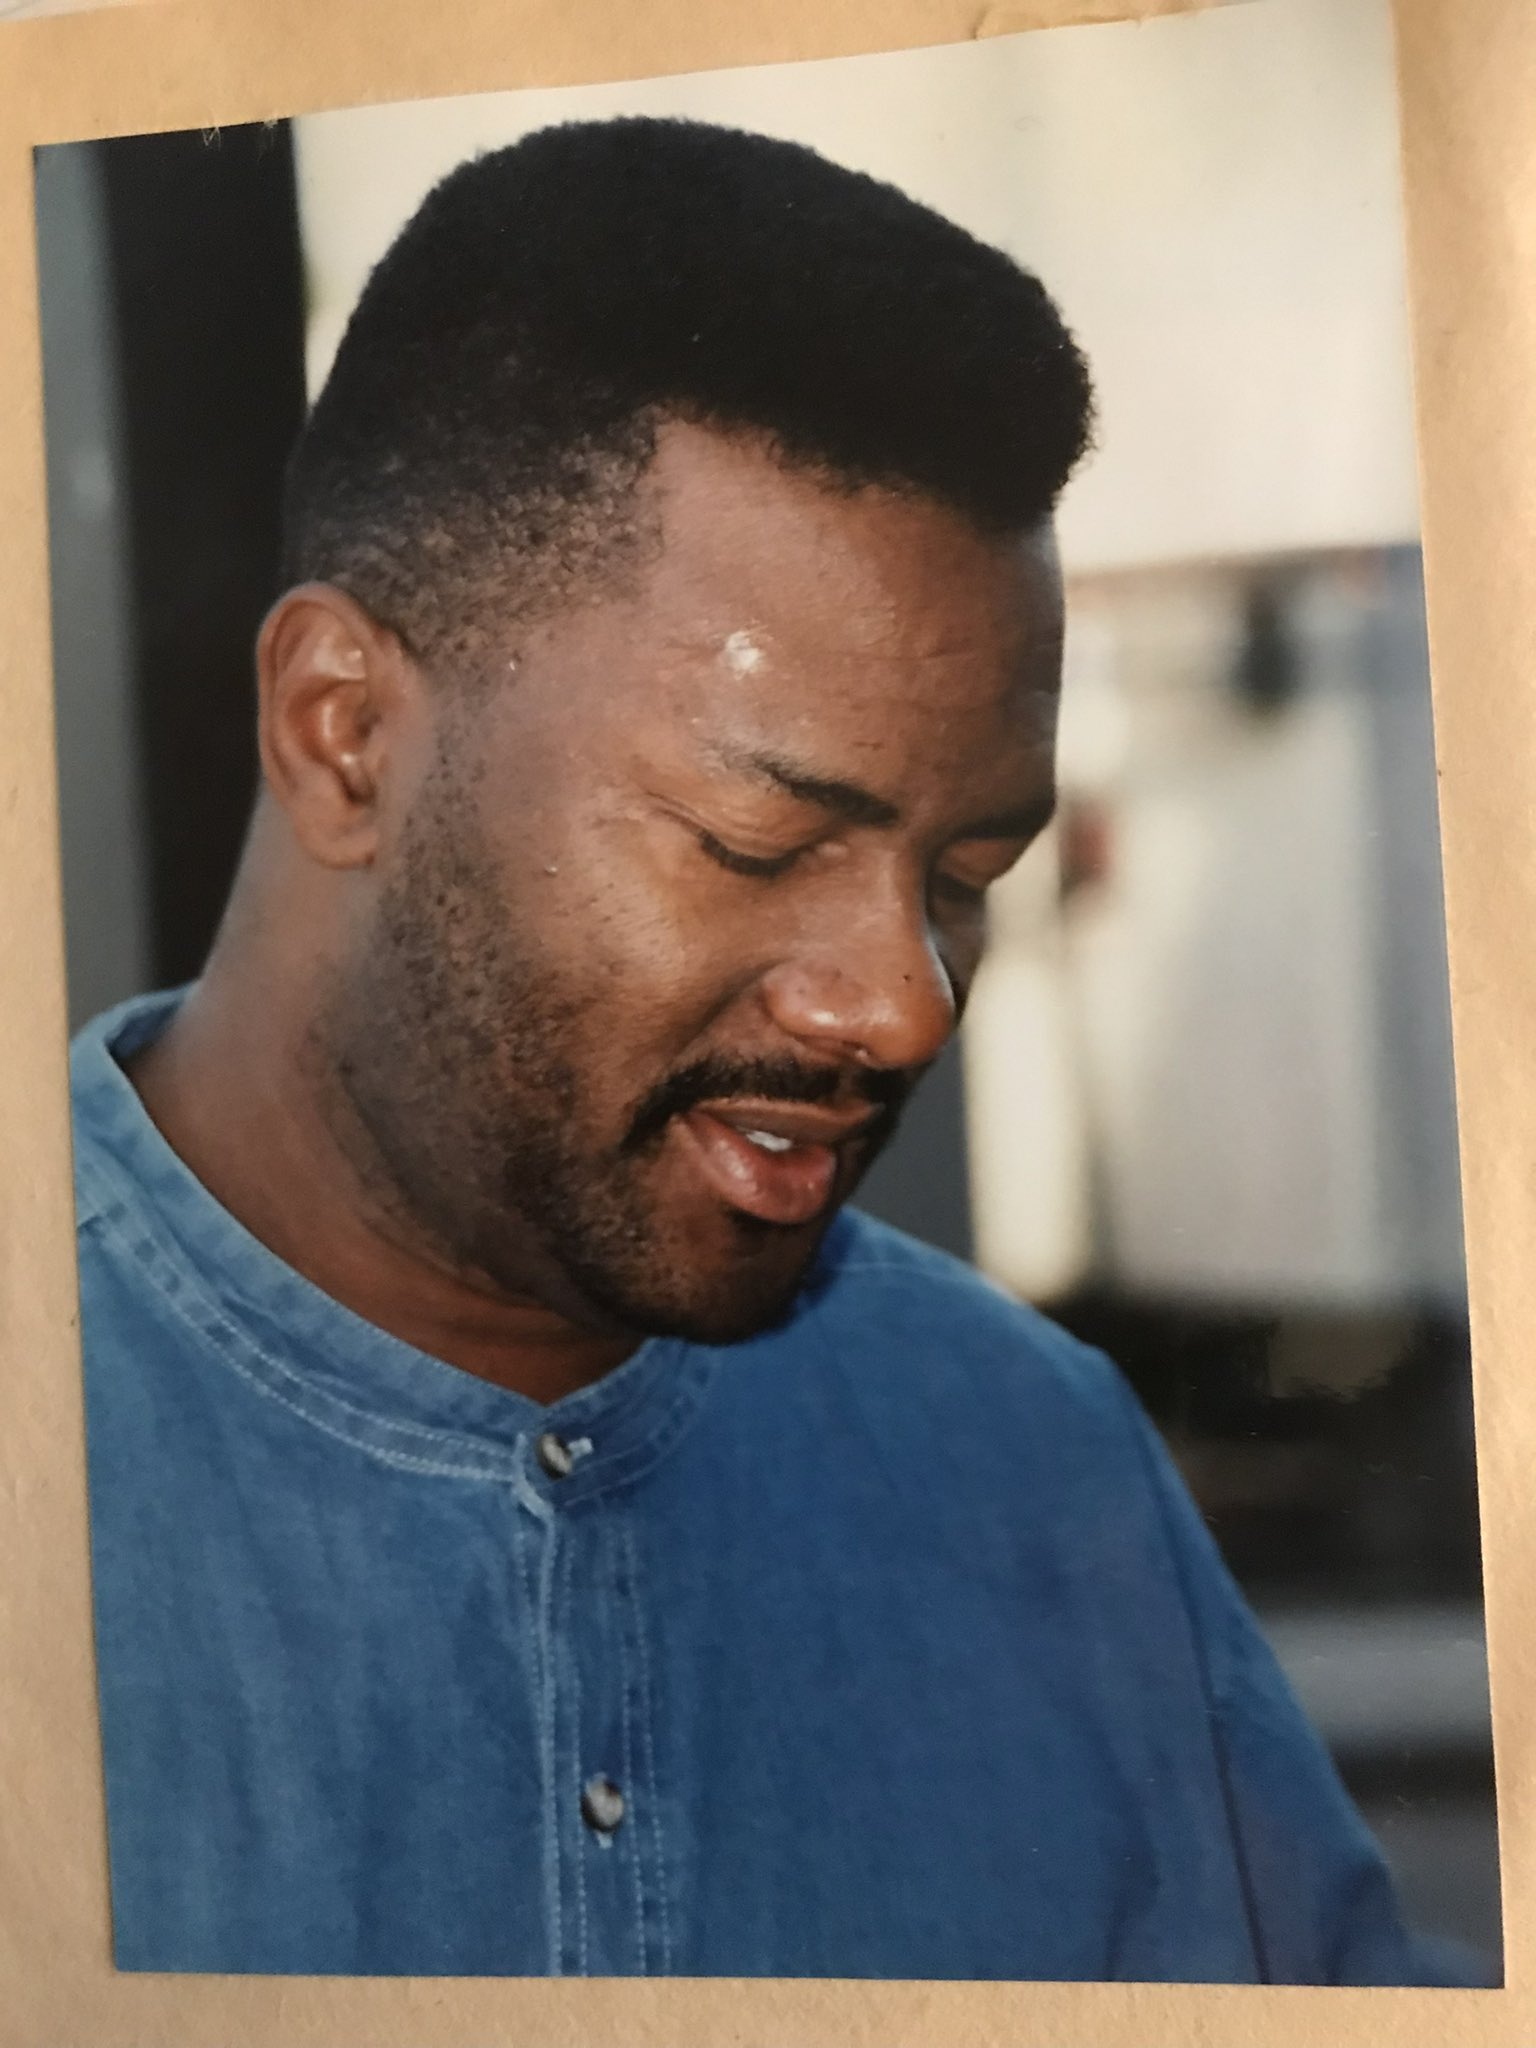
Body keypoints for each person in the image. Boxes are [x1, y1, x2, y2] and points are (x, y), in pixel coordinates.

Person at [71, 115, 1442, 1983]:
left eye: (970, 871)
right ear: (341, 735)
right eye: (756, 845)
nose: (899, 1004)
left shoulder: (1028, 1470)